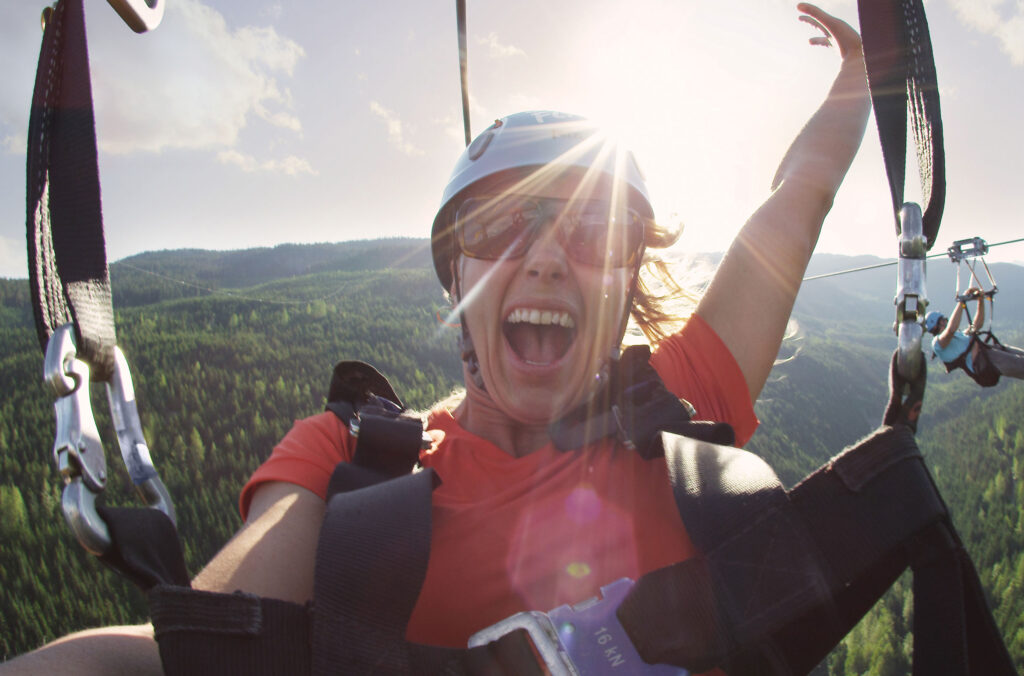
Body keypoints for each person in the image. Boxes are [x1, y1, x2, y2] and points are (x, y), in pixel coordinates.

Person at [2, 4, 871, 673]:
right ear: (457, 277)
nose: (543, 259)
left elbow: (798, 201)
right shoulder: (351, 467)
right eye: (501, 226)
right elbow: (199, 651)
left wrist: (866, 72)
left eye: (591, 231)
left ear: (627, 278)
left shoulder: (681, 405)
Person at [925, 288, 1024, 384]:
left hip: (986, 354)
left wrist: (980, 301)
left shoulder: (958, 335)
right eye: (943, 320)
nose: (946, 322)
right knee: (1020, 363)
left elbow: (977, 325)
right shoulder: (937, 344)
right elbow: (951, 329)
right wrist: (961, 302)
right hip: (983, 362)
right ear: (936, 326)